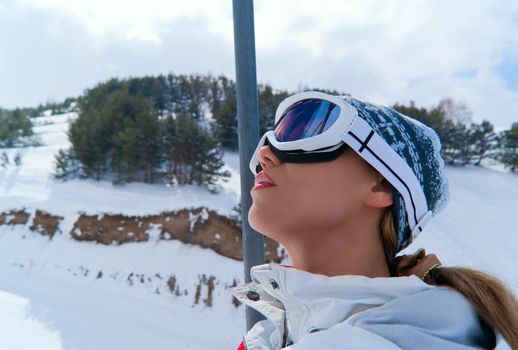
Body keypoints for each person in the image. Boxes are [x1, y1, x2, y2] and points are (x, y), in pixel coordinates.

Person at [231, 91, 517, 349]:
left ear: (381, 185)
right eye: (266, 142)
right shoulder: (267, 340)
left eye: (305, 128)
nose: (263, 155)